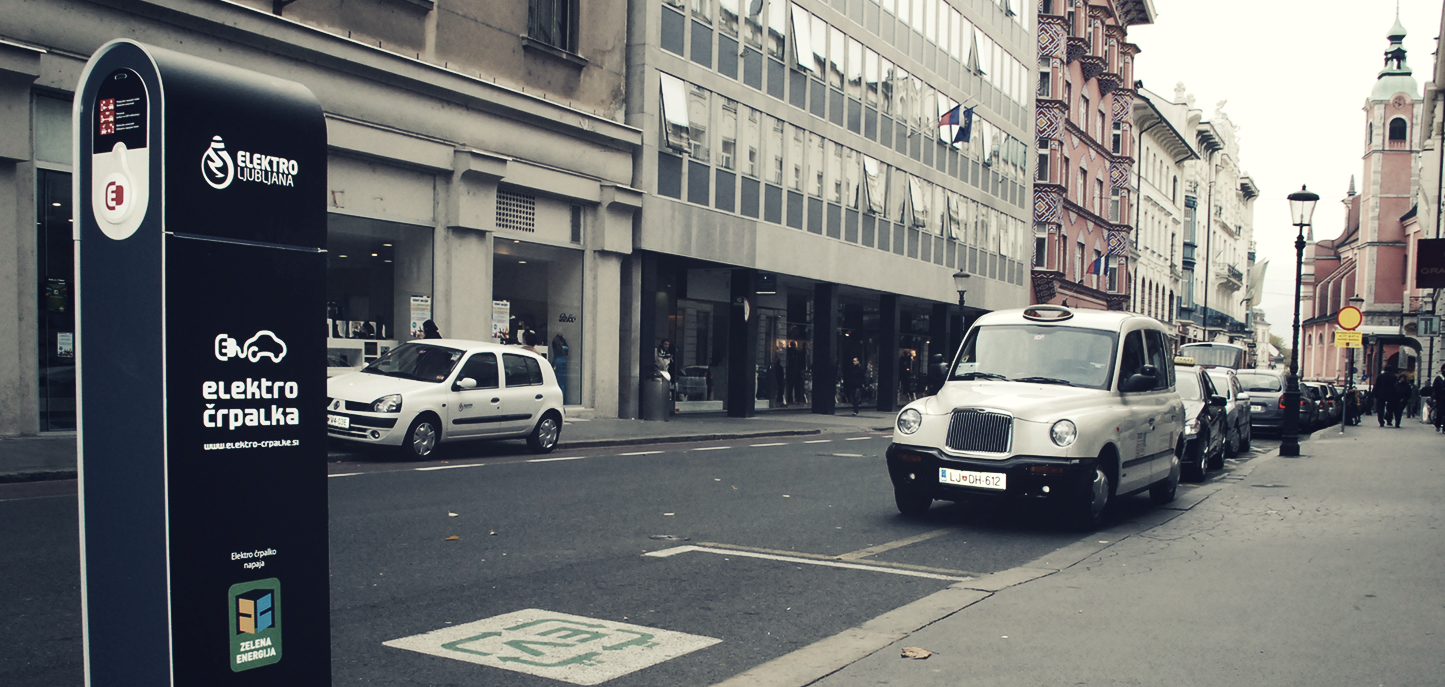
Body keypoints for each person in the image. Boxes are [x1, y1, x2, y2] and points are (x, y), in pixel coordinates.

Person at [1432, 364, 1445, 432]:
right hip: (1440, 398)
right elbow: (1435, 389)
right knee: (1439, 412)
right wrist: (1434, 398)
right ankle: (1438, 425)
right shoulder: (1438, 378)